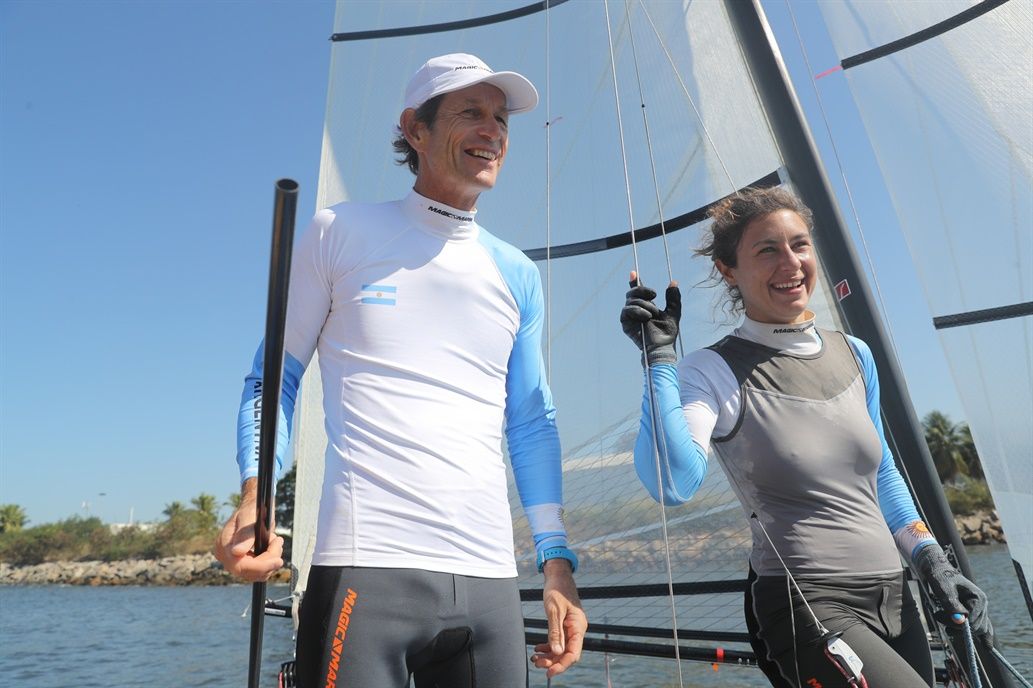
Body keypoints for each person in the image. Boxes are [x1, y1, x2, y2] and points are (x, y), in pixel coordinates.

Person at [215, 53, 586, 687]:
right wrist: (255, 497)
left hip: (490, 582)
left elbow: (531, 421)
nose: (493, 130)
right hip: (367, 569)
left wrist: (556, 563)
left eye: (501, 119)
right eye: (471, 112)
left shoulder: (518, 273)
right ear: (415, 129)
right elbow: (272, 381)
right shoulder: (341, 231)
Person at [620, 186, 991, 687]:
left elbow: (882, 474)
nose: (790, 263)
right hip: (808, 604)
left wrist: (930, 561)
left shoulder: (855, 353)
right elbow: (673, 482)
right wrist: (659, 361)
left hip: (895, 596)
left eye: (799, 245)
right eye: (767, 250)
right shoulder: (713, 370)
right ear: (729, 270)